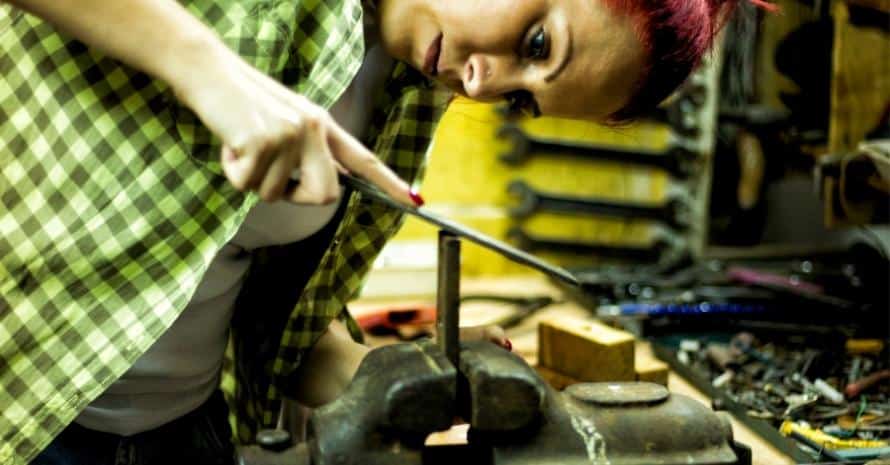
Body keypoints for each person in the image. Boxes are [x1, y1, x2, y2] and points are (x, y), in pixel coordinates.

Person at [0, 0, 758, 463]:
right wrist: (207, 70)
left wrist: (381, 376)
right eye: (535, 43)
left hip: (182, 437)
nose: (484, 85)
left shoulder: (402, 84)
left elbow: (256, 302)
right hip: (31, 422)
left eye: (523, 101)